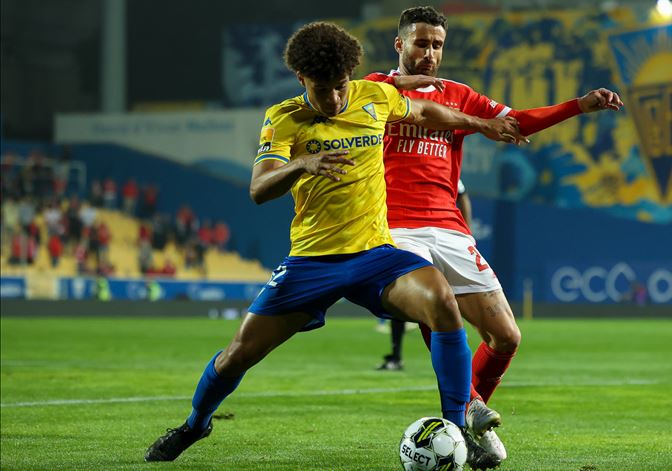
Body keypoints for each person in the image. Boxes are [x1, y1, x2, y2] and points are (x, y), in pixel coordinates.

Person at [144, 21, 525, 468]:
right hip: (313, 263)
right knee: (236, 357)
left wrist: (482, 123)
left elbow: (424, 113)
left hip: (376, 256)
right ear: (301, 79)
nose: (336, 99)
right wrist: (303, 163)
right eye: (324, 89)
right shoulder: (284, 118)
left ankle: (457, 430)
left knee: (441, 299)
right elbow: (260, 188)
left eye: (341, 86)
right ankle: (194, 425)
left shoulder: (372, 96)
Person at [364, 6, 623, 462]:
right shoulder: (374, 89)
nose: (429, 53)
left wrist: (578, 106)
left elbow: (515, 122)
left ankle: (467, 419)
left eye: (437, 45)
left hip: (449, 227)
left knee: (506, 337)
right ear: (399, 45)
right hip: (395, 227)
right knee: (436, 307)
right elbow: (407, 116)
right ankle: (469, 407)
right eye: (421, 43)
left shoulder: (458, 94)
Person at [378, 181, 472, 372]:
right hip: (405, 232)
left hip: (443, 235)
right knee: (406, 293)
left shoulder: (437, 167)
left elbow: (462, 195)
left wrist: (466, 231)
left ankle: (455, 347)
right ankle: (396, 355)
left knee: (444, 299)